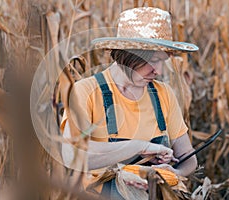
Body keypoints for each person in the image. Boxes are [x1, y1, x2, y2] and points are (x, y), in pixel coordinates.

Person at [61, 6, 198, 198]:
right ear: (126, 54)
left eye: (163, 60)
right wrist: (140, 147)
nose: (158, 70)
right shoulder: (86, 92)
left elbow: (189, 158)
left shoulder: (164, 94)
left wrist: (175, 173)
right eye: (153, 60)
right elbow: (72, 155)